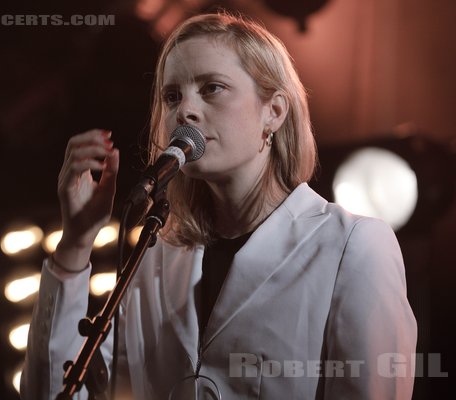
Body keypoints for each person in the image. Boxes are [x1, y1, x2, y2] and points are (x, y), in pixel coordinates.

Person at [21, 12, 417, 400]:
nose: (184, 112)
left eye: (211, 88)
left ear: (274, 112)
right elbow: (52, 394)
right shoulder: (154, 258)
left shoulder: (351, 244)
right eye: (172, 96)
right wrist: (76, 242)